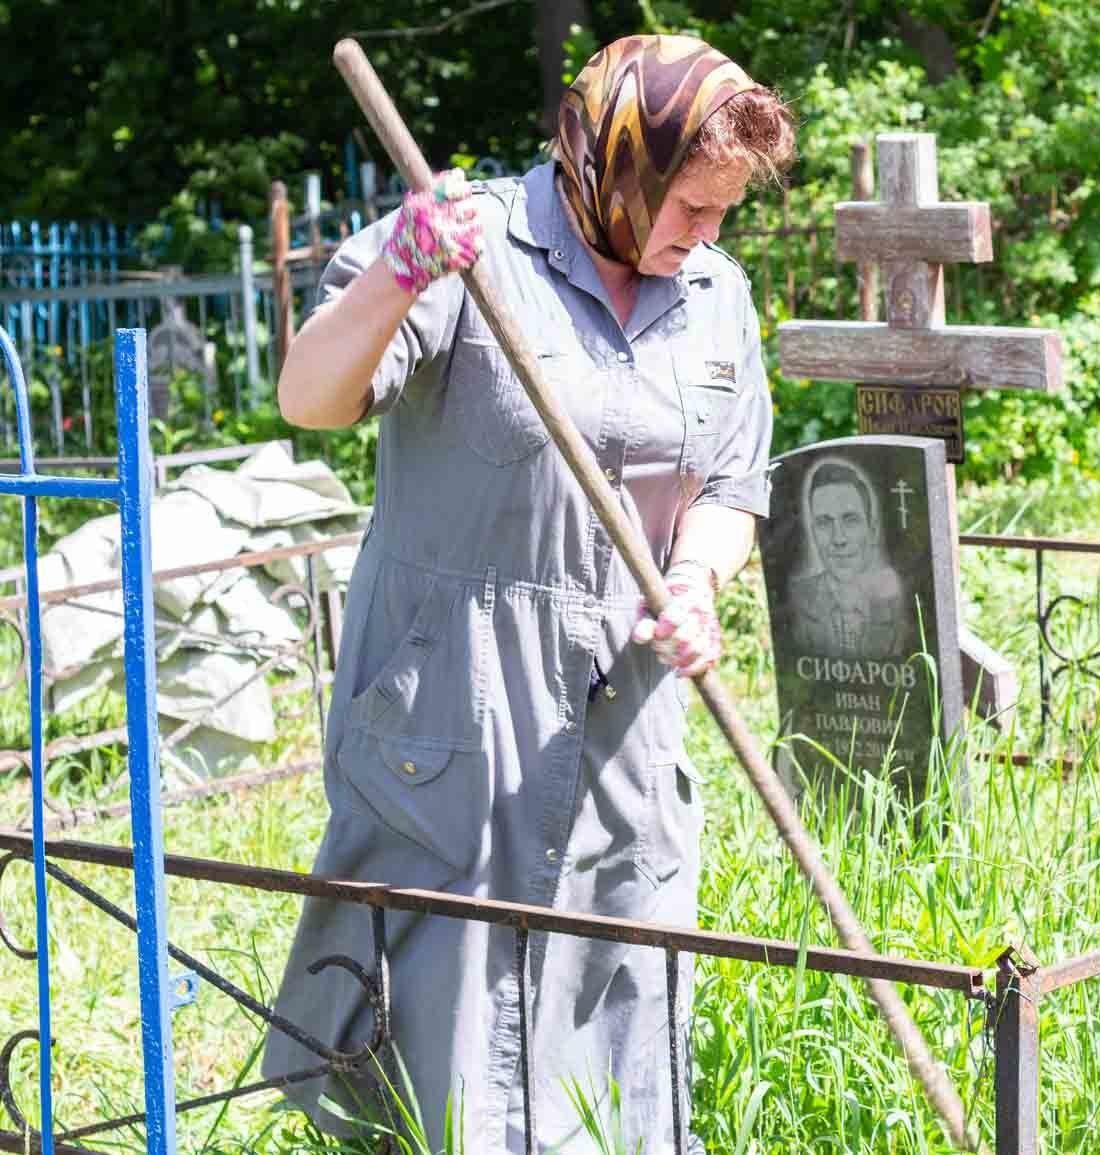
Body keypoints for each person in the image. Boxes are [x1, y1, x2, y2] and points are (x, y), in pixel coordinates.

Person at [261, 35, 795, 1154]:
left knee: (614, 996)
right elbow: (308, 397)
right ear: (615, 167)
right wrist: (399, 273)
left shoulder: (714, 292)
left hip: (623, 702)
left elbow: (732, 483)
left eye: (721, 214)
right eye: (690, 208)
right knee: (439, 1027)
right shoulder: (468, 248)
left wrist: (696, 578)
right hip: (452, 698)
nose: (705, 236)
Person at [786, 459, 914, 657]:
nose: (838, 539)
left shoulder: (900, 601)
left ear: (871, 529)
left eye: (851, 520)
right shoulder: (796, 598)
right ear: (813, 532)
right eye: (824, 523)